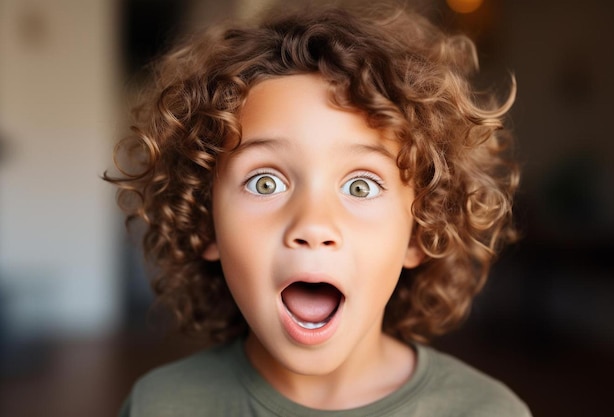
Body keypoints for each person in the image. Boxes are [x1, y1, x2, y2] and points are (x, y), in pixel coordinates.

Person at [105, 3, 530, 416]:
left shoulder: (489, 411)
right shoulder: (159, 405)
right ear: (206, 223)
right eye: (265, 182)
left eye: (360, 186)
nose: (313, 225)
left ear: (420, 232)